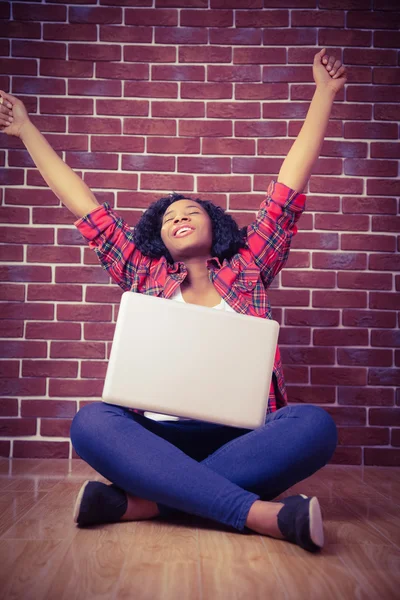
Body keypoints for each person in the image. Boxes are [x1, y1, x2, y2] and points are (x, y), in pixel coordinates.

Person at [0, 48, 346, 553]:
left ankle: (147, 503)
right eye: (166, 219)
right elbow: (85, 206)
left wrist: (323, 94)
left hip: (244, 440)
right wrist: (26, 130)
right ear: (157, 238)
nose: (177, 218)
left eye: (189, 211)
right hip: (158, 441)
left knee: (314, 426)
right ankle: (258, 514)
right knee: (91, 422)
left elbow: (288, 190)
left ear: (216, 224)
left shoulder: (249, 264)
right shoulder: (142, 272)